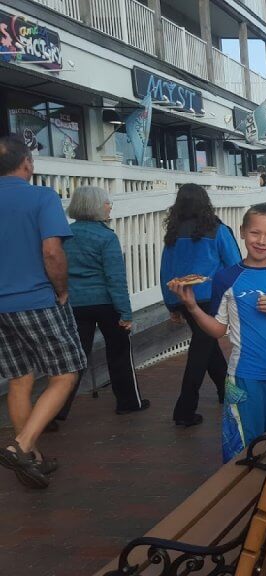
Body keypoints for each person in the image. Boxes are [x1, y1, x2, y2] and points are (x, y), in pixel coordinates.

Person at [169, 204, 266, 462]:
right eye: (255, 233)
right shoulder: (226, 277)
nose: (261, 241)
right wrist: (193, 307)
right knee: (243, 448)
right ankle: (244, 496)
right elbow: (218, 329)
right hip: (245, 377)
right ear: (242, 232)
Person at [0, 136, 87, 489]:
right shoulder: (41, 197)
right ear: (28, 163)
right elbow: (52, 252)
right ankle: (20, 446)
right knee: (66, 372)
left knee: (20, 379)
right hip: (34, 298)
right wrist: (62, 290)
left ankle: (31, 460)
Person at [58, 186, 148, 421]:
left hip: (75, 303)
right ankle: (128, 402)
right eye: (107, 202)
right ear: (96, 206)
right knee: (119, 352)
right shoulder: (106, 237)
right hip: (106, 303)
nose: (110, 206)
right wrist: (125, 313)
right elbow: (115, 279)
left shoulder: (65, 235)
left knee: (76, 357)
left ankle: (57, 411)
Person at [160, 183, 242, 427]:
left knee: (206, 346)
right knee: (200, 350)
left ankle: (224, 391)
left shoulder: (173, 234)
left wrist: (172, 305)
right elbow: (234, 264)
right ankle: (184, 409)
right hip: (211, 299)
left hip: (184, 298)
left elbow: (166, 270)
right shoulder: (217, 230)